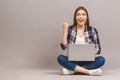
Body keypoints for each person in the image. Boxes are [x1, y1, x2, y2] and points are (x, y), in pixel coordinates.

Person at [57, 6, 105, 76]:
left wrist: (89, 53)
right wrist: (65, 30)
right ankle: (88, 72)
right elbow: (63, 46)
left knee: (101, 59)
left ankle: (73, 70)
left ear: (86, 17)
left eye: (83, 14)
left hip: (88, 61)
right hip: (73, 60)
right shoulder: (70, 29)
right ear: (75, 17)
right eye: (78, 14)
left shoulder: (92, 30)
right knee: (60, 58)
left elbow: (98, 50)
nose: (81, 17)